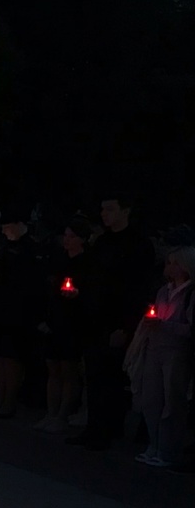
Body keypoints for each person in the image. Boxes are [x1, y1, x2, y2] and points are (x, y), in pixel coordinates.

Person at [68, 194, 156, 450]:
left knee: (113, 378)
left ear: (125, 211)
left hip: (118, 321)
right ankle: (95, 427)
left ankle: (110, 429)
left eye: (110, 209)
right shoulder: (103, 242)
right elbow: (92, 277)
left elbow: (138, 289)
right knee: (94, 374)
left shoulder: (139, 245)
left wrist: (125, 326)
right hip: (95, 319)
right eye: (103, 209)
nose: (104, 214)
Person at [127, 246, 194, 467]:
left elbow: (189, 329)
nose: (169, 266)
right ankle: (153, 444)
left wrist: (164, 326)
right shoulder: (163, 291)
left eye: (173, 262)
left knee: (172, 400)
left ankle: (168, 449)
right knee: (151, 397)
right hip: (154, 349)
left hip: (176, 352)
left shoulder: (190, 293)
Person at [0, 209, 44, 419]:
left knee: (12, 357)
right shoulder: (8, 246)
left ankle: (9, 402)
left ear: (17, 225)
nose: (5, 232)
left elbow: (27, 280)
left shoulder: (30, 248)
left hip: (17, 311)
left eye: (7, 227)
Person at [35, 216, 94, 432]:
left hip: (73, 323)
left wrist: (78, 295)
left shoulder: (87, 264)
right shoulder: (59, 261)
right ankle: (51, 413)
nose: (67, 240)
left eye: (72, 236)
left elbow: (90, 294)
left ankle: (63, 414)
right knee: (53, 368)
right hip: (54, 321)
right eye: (65, 236)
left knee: (68, 369)